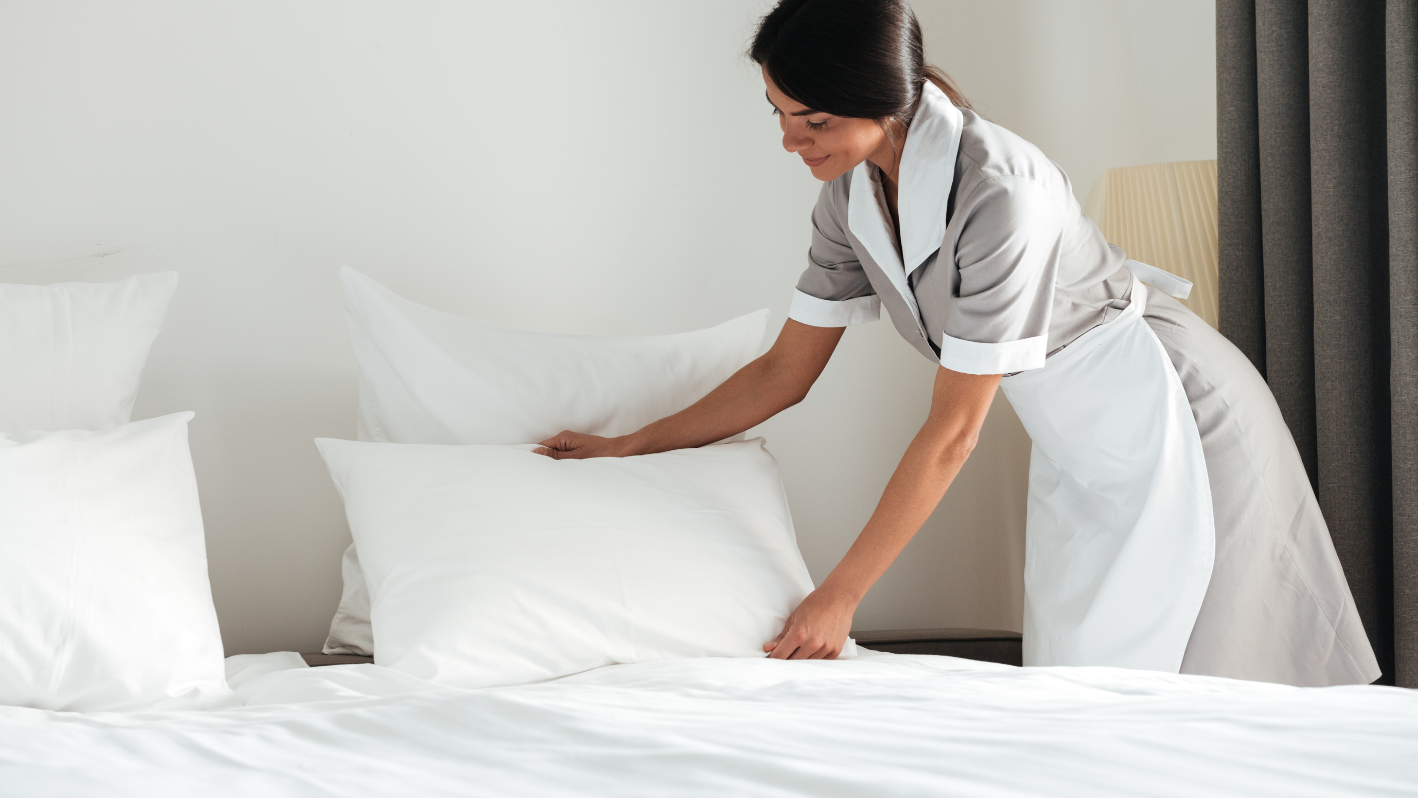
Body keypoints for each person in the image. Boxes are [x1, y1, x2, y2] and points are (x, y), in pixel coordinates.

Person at [536, 0, 1380, 686]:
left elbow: (952, 434)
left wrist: (840, 599)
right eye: (781, 116)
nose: (791, 142)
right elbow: (785, 371)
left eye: (814, 120)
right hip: (1079, 436)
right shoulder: (851, 200)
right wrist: (629, 445)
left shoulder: (1000, 193)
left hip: (1173, 413)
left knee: (1207, 672)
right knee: (1088, 681)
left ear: (883, 101)